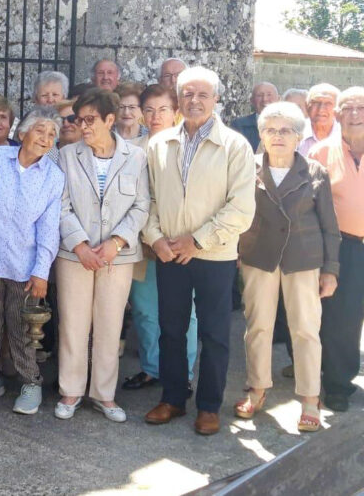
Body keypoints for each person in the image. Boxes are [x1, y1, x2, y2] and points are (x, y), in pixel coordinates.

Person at [142, 67, 255, 436]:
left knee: (215, 334)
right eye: (187, 94)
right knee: (170, 329)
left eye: (202, 94)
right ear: (178, 99)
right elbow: (149, 199)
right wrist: (156, 238)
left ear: (216, 99)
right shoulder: (159, 144)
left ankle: (208, 406)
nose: (194, 101)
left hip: (214, 255)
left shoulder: (235, 146)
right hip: (170, 253)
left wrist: (198, 240)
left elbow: (241, 208)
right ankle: (173, 398)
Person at [234, 102, 339, 431]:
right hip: (258, 257)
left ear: (298, 137)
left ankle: (310, 398)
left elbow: (329, 226)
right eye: (270, 129)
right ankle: (258, 388)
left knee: (306, 330)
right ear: (261, 135)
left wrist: (330, 270)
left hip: (303, 259)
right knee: (258, 328)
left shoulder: (314, 171)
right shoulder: (246, 168)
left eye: (285, 130)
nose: (277, 136)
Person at [54, 88, 149, 423]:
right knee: (73, 323)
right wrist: (80, 245)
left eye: (90, 119)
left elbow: (142, 206)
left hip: (116, 257)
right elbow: (60, 204)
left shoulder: (136, 157)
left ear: (110, 119)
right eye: (79, 120)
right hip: (74, 254)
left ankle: (104, 395)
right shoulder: (66, 156)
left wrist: (117, 243)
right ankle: (71, 390)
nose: (83, 126)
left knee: (110, 324)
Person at [0, 106, 64, 414]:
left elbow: (49, 229)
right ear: (22, 133)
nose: (45, 138)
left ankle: (30, 382)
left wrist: (41, 272)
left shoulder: (53, 177)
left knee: (21, 326)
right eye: (40, 130)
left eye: (51, 134)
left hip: (25, 264)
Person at [122, 84, 198, 392]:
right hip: (143, 241)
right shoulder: (131, 148)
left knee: (184, 311)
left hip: (180, 240)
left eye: (163, 109)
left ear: (175, 111)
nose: (155, 116)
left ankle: (184, 373)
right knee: (144, 307)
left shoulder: (189, 147)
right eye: (149, 110)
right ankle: (152, 367)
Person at [307, 87, 364, 412]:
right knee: (341, 320)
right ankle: (338, 385)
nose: (355, 114)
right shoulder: (321, 153)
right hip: (343, 248)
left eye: (361, 107)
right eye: (348, 108)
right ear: (338, 114)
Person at [230, 82, 279, 151]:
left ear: (278, 99)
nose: (264, 99)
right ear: (251, 100)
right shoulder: (239, 125)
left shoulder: (288, 125)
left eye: (269, 95)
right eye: (259, 95)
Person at [299, 83, 340, 156]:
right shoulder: (294, 132)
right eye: (316, 102)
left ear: (338, 108)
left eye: (328, 103)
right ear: (306, 105)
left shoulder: (347, 136)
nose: (321, 109)